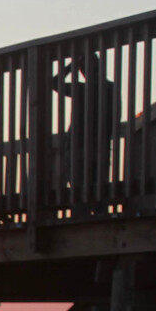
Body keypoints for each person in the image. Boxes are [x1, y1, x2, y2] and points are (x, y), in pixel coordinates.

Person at [49, 51, 120, 213]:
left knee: (79, 192)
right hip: (100, 147)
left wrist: (70, 66)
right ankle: (100, 219)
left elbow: (53, 83)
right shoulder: (110, 87)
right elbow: (115, 117)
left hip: (78, 147)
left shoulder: (81, 89)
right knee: (99, 191)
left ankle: (81, 218)